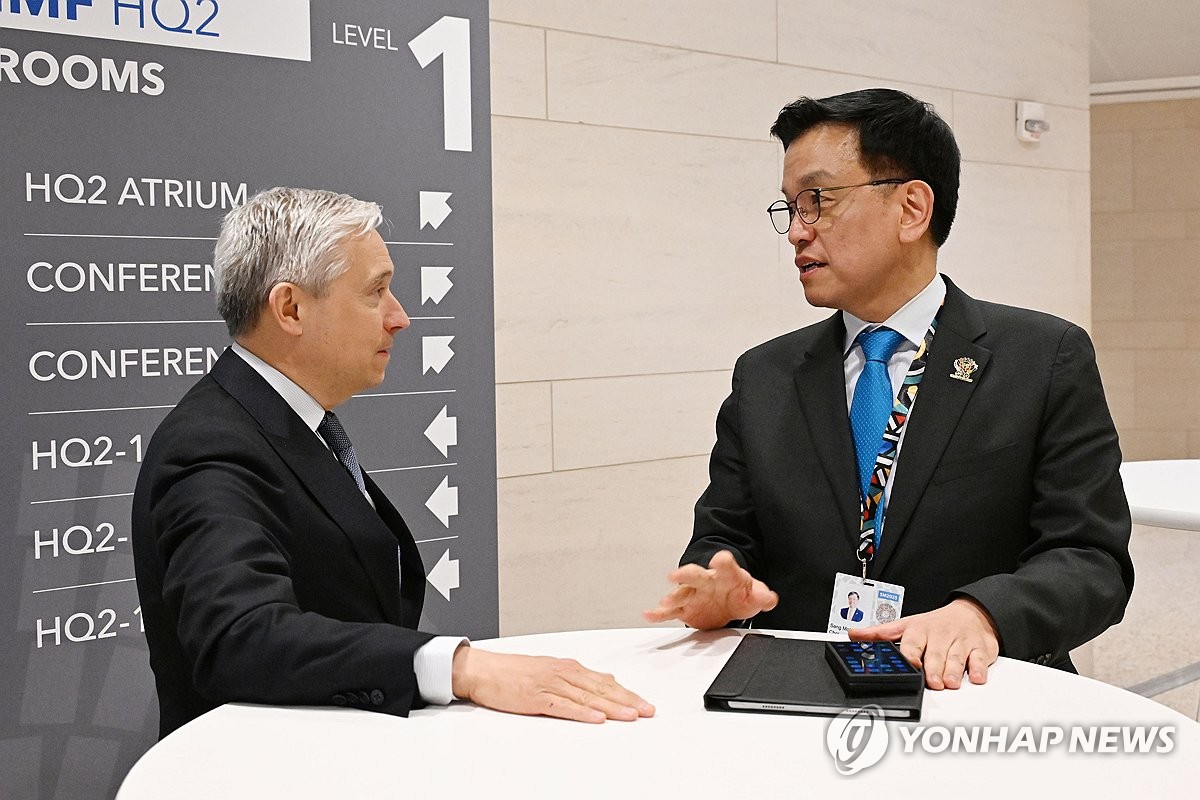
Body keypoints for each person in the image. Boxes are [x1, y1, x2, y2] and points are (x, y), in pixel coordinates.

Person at [645, 88, 1133, 691]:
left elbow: (1091, 559)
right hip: (801, 694)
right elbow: (723, 541)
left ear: (911, 209)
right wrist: (716, 589)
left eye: (817, 201)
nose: (796, 232)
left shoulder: (1042, 358)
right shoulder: (765, 375)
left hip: (975, 692)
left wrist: (982, 614)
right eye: (789, 207)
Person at [133, 187, 654, 738]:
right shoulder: (211, 444)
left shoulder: (281, 422)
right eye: (375, 291)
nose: (399, 317)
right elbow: (240, 637)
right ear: (290, 309)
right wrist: (460, 667)